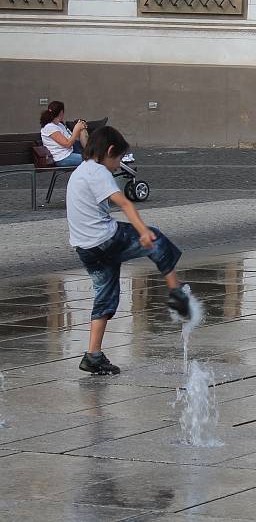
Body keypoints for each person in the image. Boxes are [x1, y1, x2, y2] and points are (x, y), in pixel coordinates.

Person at [67, 126, 193, 375]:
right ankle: (176, 291)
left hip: (84, 247)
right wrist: (144, 232)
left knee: (105, 293)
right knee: (157, 239)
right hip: (105, 239)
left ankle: (93, 355)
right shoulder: (98, 171)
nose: (117, 166)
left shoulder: (81, 170)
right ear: (110, 151)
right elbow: (124, 203)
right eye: (118, 160)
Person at [40, 100, 89, 167]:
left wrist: (81, 129)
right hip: (62, 158)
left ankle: (90, 152)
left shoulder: (59, 125)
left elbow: (72, 138)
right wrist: (76, 129)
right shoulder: (49, 127)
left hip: (69, 151)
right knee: (90, 160)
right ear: (61, 113)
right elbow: (68, 144)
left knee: (95, 157)